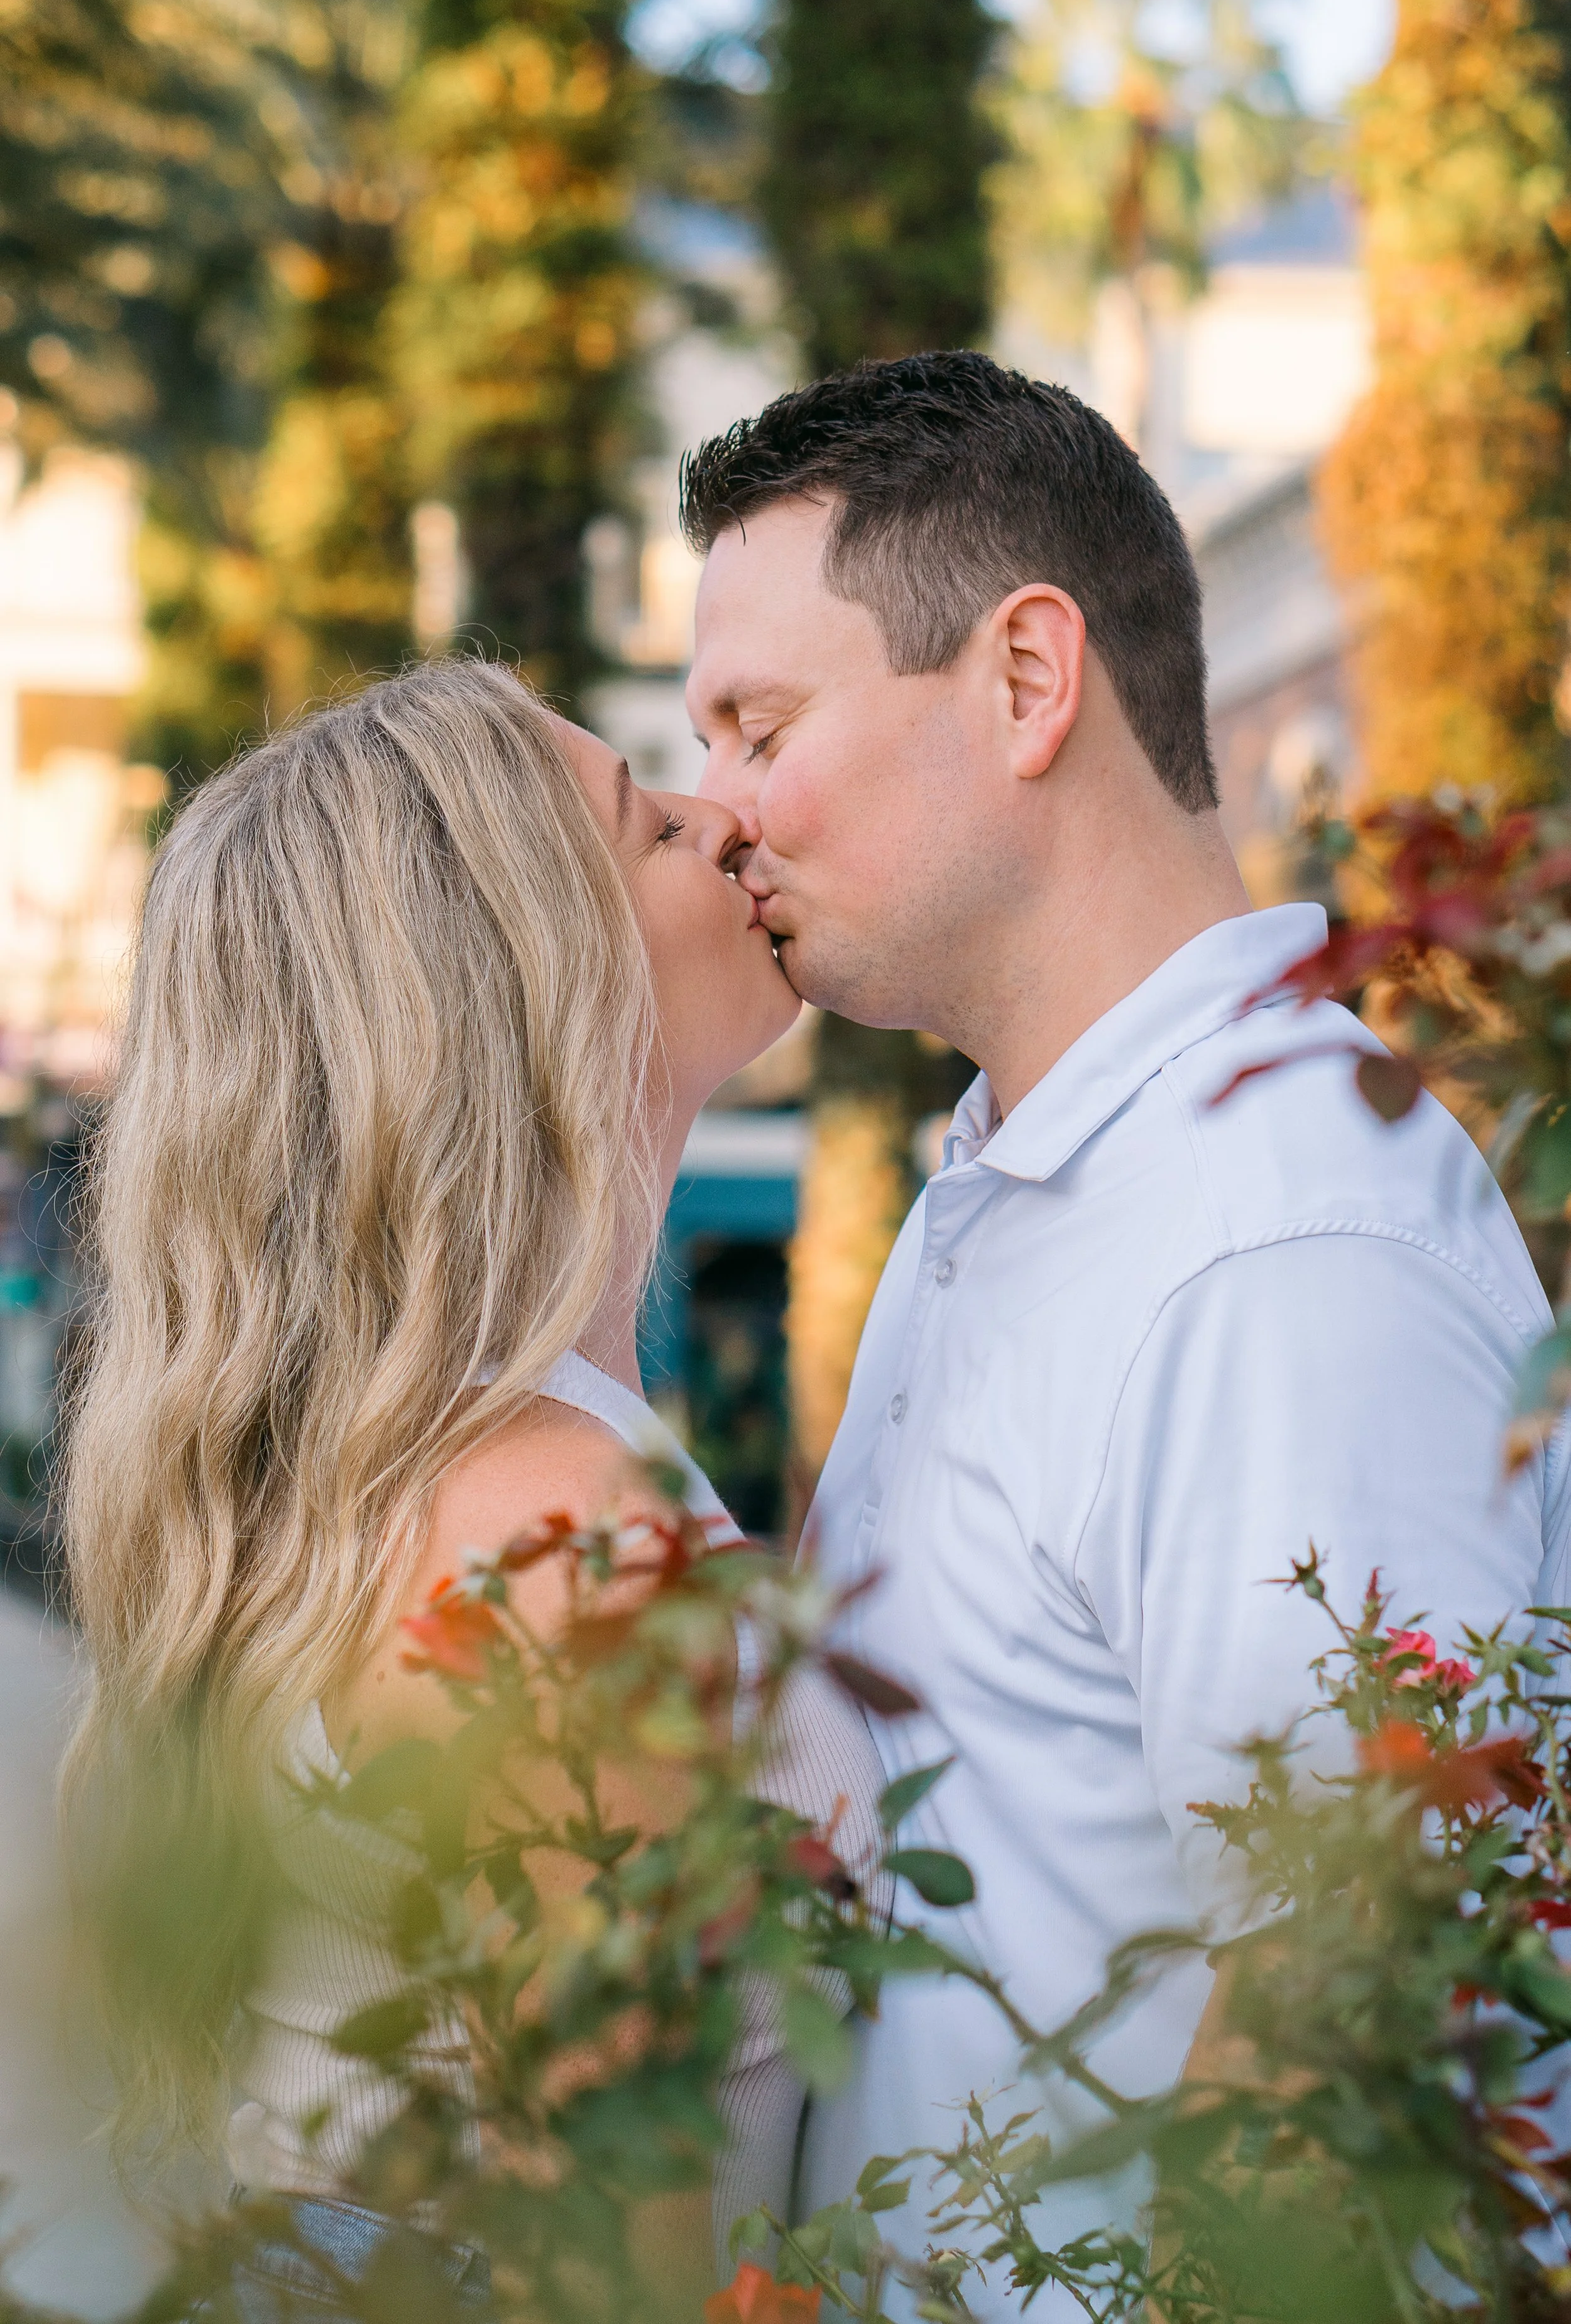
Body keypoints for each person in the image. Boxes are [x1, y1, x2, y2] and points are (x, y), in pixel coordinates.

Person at [682, 350, 1571, 2315]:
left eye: (756, 723)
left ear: (1024, 678)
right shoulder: (1023, 1172)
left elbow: (1355, 2019)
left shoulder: (1271, 1236)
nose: (716, 810)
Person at [59, 661, 885, 2313]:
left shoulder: (423, 1459)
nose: (726, 816)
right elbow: (604, 2224)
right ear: (518, 977)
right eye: (652, 821)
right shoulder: (559, 1521)